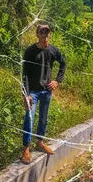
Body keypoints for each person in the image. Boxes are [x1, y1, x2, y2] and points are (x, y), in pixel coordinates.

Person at [21, 23, 66, 164]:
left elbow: (63, 64)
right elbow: (25, 74)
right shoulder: (30, 51)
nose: (45, 35)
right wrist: (26, 94)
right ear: (37, 34)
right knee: (29, 118)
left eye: (47, 32)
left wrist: (57, 81)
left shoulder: (53, 51)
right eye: (42, 32)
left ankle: (40, 142)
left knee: (44, 118)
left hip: (46, 91)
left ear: (50, 34)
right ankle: (26, 149)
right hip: (33, 92)